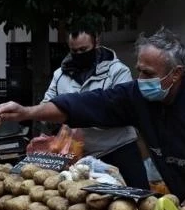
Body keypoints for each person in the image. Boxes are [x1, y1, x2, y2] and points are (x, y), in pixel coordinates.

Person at [0, 28, 185, 210]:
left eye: (148, 74)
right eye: (138, 70)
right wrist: (28, 111)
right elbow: (84, 103)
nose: (140, 79)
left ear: (176, 74)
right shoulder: (137, 97)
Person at [42, 27, 148, 189]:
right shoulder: (60, 76)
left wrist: (70, 112)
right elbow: (47, 106)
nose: (79, 54)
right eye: (74, 51)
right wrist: (51, 119)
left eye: (84, 50)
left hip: (119, 150)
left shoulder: (118, 71)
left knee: (137, 200)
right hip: (81, 157)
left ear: (96, 42)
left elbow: (119, 111)